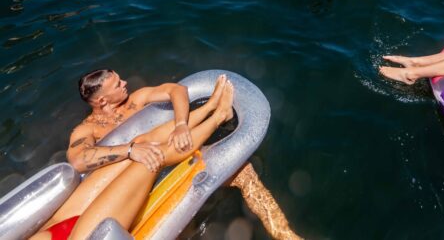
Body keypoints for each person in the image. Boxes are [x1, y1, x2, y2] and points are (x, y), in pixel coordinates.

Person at [33, 71, 301, 240]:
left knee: (242, 172)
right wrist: (130, 150)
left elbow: (177, 90)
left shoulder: (136, 100)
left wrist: (182, 123)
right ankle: (217, 115)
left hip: (170, 145)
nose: (125, 82)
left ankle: (284, 233)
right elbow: (79, 159)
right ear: (101, 100)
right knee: (239, 170)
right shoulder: (87, 129)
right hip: (136, 179)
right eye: (117, 83)